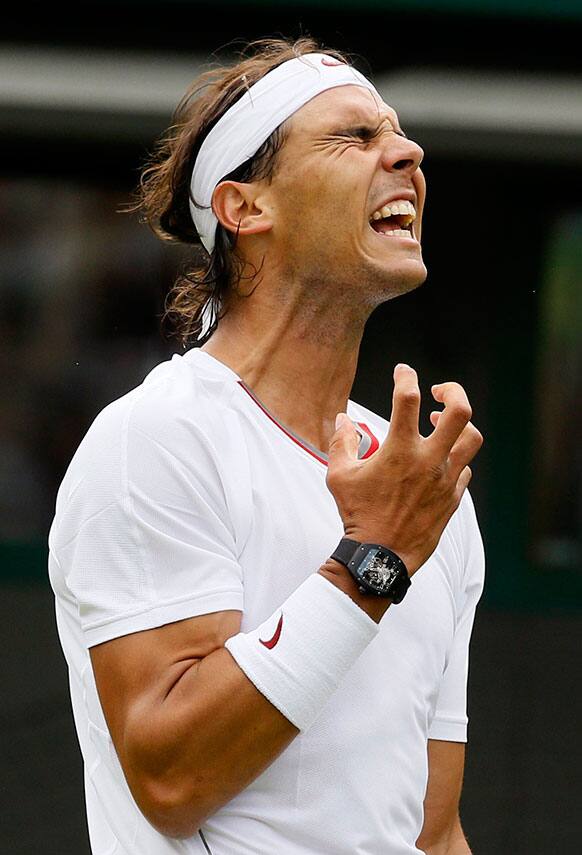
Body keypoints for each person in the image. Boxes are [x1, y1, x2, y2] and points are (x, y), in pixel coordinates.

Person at [48, 36, 485, 855]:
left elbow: (433, 830)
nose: (408, 152)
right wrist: (375, 555)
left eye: (397, 133)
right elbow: (172, 780)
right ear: (245, 206)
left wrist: (393, 534)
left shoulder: (428, 493)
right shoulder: (159, 438)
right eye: (354, 137)